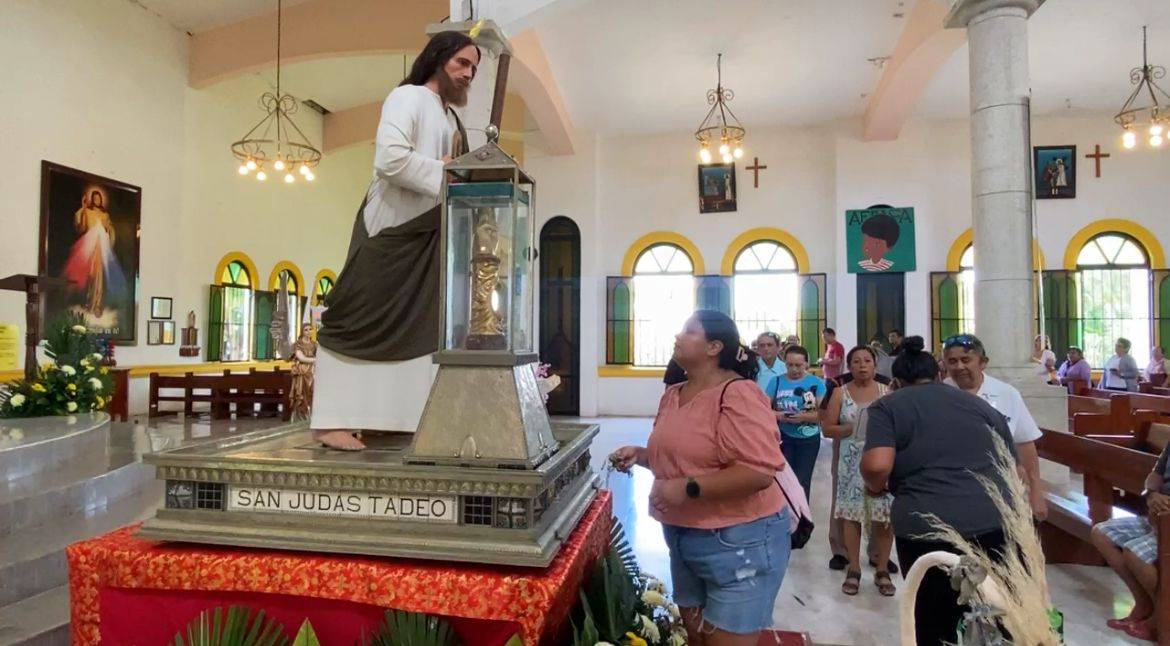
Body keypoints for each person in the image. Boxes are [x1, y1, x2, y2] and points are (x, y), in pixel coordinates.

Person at [310, 32, 479, 450]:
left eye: (473, 68)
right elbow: (390, 159)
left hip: (427, 238)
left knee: (418, 327)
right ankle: (329, 422)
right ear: (439, 59)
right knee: (353, 319)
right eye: (462, 62)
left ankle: (396, 419)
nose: (468, 73)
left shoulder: (452, 119)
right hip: (390, 233)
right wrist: (442, 171)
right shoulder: (407, 98)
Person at [611, 310, 790, 646]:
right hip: (683, 536)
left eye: (689, 331)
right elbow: (683, 457)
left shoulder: (738, 394)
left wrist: (689, 488)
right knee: (695, 636)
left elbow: (758, 472)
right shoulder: (675, 393)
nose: (678, 336)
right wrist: (642, 455)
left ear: (714, 347)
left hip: (739, 542)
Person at [860, 336, 1017, 646]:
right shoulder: (979, 405)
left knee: (933, 617)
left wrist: (875, 488)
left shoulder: (888, 406)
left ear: (896, 381)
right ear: (939, 372)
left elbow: (877, 465)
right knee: (994, 615)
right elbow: (1012, 466)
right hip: (992, 522)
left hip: (927, 525)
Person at [942, 334, 1047, 520]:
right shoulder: (939, 395)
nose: (959, 367)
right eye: (952, 361)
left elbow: (1024, 443)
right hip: (953, 488)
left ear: (983, 362)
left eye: (966, 360)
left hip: (1001, 487)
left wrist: (1035, 492)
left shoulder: (1007, 394)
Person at [822, 346, 894, 597]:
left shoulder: (888, 392)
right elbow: (827, 428)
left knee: (883, 515)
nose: (862, 365)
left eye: (867, 361)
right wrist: (850, 428)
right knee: (851, 515)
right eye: (856, 361)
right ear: (849, 366)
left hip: (881, 457)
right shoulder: (840, 393)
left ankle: (882, 568)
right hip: (850, 460)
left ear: (875, 365)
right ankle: (853, 567)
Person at [1090, 440, 1169, 642]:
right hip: (1157, 517)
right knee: (1102, 534)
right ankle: (1144, 602)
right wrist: (1152, 495)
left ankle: (1162, 616)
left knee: (1134, 552)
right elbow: (1155, 474)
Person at [62, 189, 127, 317]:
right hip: (89, 247)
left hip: (101, 248)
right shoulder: (88, 212)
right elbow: (81, 227)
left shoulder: (105, 215)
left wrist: (108, 229)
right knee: (90, 275)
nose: (97, 200)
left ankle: (97, 304)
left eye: (99, 198)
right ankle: (89, 302)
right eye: (95, 198)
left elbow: (111, 231)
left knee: (99, 277)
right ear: (93, 199)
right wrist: (83, 208)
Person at [772, 345, 825, 502]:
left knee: (802, 481)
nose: (794, 369)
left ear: (806, 364)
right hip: (783, 437)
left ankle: (802, 516)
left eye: (798, 365)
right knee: (783, 480)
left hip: (808, 439)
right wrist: (779, 415)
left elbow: (824, 414)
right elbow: (763, 410)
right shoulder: (776, 382)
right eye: (790, 365)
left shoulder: (817, 383)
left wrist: (803, 417)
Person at [290, 323, 317, 421]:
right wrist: (316, 360)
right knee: (302, 393)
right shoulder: (299, 344)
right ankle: (301, 416)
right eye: (306, 329)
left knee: (312, 392)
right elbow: (301, 357)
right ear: (302, 331)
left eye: (310, 329)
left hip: (313, 371)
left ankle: (312, 415)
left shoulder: (315, 344)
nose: (308, 331)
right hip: (302, 371)